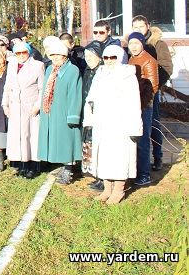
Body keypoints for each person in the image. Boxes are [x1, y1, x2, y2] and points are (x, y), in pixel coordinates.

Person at [84, 45, 142, 205]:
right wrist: (88, 120)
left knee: (119, 157)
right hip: (102, 123)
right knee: (104, 156)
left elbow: (134, 103)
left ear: (120, 58)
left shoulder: (127, 76)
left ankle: (118, 190)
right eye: (106, 57)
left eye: (113, 57)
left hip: (120, 124)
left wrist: (135, 127)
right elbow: (90, 99)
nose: (109, 61)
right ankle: (107, 189)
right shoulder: (100, 75)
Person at [37, 40, 83, 185]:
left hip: (64, 112)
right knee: (56, 141)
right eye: (53, 55)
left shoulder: (72, 70)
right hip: (51, 111)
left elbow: (75, 94)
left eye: (58, 55)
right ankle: (63, 169)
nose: (55, 57)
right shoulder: (50, 69)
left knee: (67, 142)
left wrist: (73, 115)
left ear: (65, 55)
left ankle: (68, 171)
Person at [131, 15, 173, 171]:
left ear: (147, 26)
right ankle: (138, 159)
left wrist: (153, 88)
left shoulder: (158, 44)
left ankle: (158, 156)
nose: (138, 30)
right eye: (135, 27)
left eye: (141, 27)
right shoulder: (131, 44)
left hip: (151, 92)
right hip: (133, 93)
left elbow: (166, 67)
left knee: (153, 124)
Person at [2, 41, 44, 179]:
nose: (21, 55)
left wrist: (37, 106)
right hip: (15, 107)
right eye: (18, 53)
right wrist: (5, 104)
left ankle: (33, 166)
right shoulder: (12, 65)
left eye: (23, 52)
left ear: (29, 52)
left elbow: (41, 88)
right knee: (17, 136)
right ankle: (21, 165)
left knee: (31, 136)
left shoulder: (38, 66)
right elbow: (7, 86)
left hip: (30, 107)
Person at [127, 31, 158, 187]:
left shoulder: (149, 61)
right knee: (134, 139)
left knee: (143, 140)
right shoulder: (132, 59)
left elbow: (153, 87)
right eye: (131, 43)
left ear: (142, 44)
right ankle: (136, 171)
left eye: (136, 43)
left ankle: (145, 174)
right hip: (133, 105)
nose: (133, 46)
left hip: (144, 106)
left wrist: (141, 104)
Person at [80, 41, 103, 191]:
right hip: (88, 113)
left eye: (91, 55)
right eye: (86, 56)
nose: (88, 58)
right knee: (90, 142)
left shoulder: (103, 72)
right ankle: (95, 174)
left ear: (99, 57)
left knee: (100, 145)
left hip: (100, 114)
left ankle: (102, 177)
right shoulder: (87, 71)